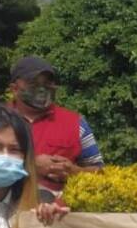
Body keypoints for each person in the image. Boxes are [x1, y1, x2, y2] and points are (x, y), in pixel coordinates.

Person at [8, 57, 105, 201]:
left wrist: (74, 171)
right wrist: (30, 166)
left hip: (58, 209)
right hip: (1, 207)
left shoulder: (76, 123)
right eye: (33, 83)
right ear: (14, 89)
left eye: (47, 83)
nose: (42, 88)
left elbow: (100, 172)